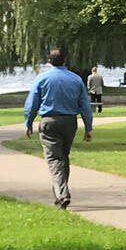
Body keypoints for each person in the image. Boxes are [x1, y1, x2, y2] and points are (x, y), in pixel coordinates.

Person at [24, 47, 93, 208]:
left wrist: (29, 122)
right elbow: (84, 105)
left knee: (54, 158)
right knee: (63, 156)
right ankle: (60, 195)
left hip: (49, 121)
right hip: (70, 122)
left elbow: (31, 103)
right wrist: (88, 127)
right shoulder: (76, 79)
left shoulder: (42, 79)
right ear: (65, 61)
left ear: (49, 61)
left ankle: (62, 194)